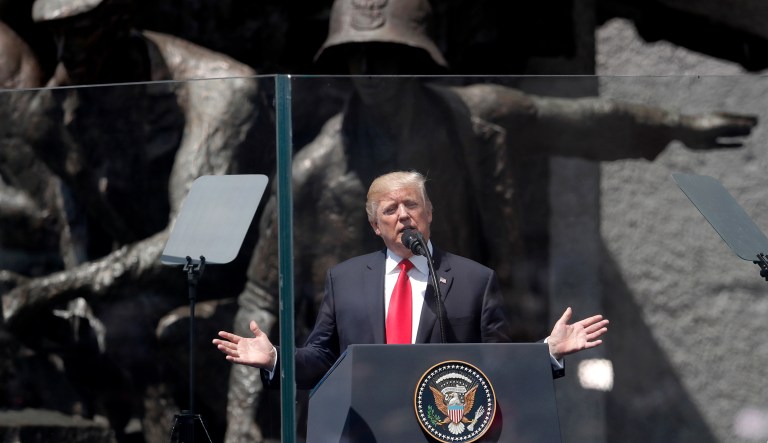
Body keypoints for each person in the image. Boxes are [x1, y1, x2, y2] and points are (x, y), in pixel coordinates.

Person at [214, 170, 609, 389]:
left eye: (411, 204)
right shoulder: (345, 279)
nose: (403, 215)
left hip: (447, 427)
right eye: (390, 209)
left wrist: (547, 352)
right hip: (367, 428)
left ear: (429, 212)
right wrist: (276, 358)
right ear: (375, 225)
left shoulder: (475, 279)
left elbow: (497, 364)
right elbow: (323, 357)